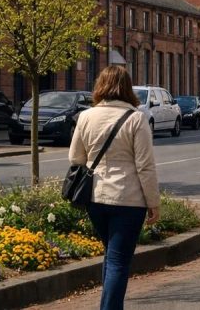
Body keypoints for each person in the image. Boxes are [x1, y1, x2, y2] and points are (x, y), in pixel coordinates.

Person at [69, 65, 159, 310]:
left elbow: (75, 158)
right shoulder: (136, 118)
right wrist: (154, 202)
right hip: (128, 200)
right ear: (127, 87)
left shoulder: (86, 116)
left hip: (95, 197)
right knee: (119, 261)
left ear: (101, 86)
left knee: (111, 256)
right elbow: (145, 166)